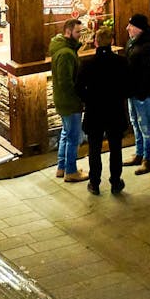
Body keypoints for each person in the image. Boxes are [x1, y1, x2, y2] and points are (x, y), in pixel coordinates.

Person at [76, 27, 131, 194]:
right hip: (115, 111)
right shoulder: (121, 62)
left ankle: (95, 183)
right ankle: (115, 182)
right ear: (112, 42)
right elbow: (128, 87)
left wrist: (89, 99)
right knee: (116, 148)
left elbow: (78, 88)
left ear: (95, 42)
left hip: (95, 112)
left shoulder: (88, 64)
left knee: (94, 149)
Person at [124, 12, 150, 175]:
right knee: (135, 123)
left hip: (142, 93)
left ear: (139, 29)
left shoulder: (149, 48)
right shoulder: (133, 43)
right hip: (133, 91)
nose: (127, 28)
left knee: (145, 125)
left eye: (131, 26)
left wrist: (141, 92)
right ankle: (139, 154)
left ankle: (149, 159)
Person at [49, 18, 86, 183]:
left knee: (66, 133)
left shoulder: (62, 48)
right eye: (78, 32)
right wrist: (79, 97)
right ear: (68, 32)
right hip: (69, 102)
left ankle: (62, 167)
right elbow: (66, 82)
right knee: (73, 137)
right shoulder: (66, 53)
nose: (80, 36)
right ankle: (71, 171)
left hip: (63, 100)